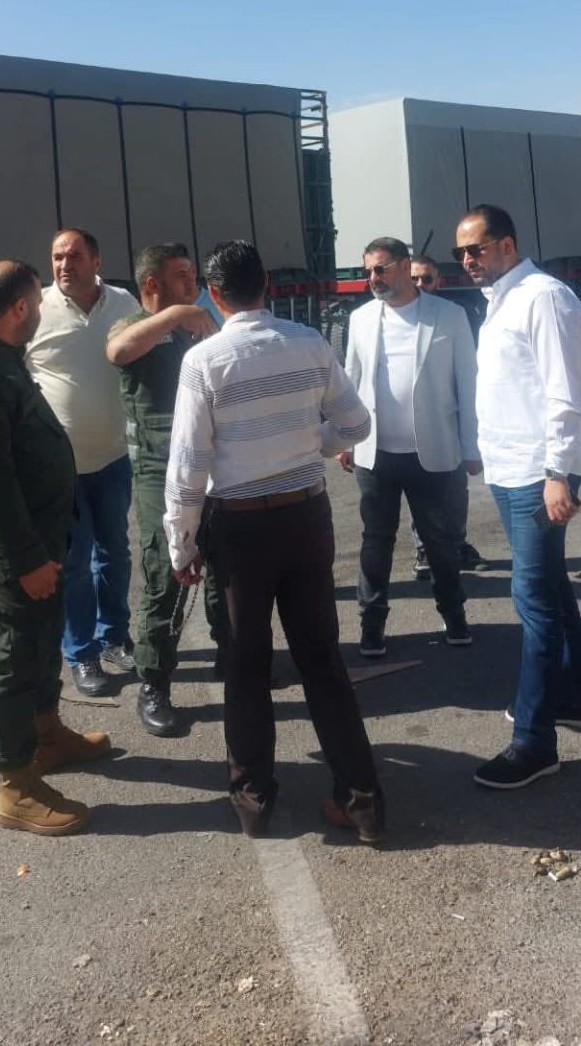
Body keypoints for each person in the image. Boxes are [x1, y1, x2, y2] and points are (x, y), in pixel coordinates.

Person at [164, 240, 384, 842]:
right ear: (267, 283)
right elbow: (357, 423)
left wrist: (182, 544)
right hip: (306, 517)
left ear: (214, 294)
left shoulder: (204, 361)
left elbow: (188, 463)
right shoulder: (309, 344)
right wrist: (311, 442)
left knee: (246, 664)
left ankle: (254, 800)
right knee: (322, 660)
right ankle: (362, 800)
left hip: (241, 529)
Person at [0, 261, 111, 837]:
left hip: (40, 542)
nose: (42, 310)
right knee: (12, 662)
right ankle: (16, 786)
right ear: (19, 308)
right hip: (14, 554)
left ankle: (46, 736)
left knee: (39, 645)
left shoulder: (2, 358)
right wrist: (28, 561)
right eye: (38, 301)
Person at [454, 203, 581, 791]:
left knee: (532, 599)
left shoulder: (543, 298)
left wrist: (558, 472)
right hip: (510, 470)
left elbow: (566, 394)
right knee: (553, 589)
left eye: (477, 249)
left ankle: (534, 743)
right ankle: (576, 698)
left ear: (507, 245)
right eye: (462, 252)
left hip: (540, 475)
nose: (467, 260)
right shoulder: (501, 302)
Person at [339, 237, 480, 657]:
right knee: (375, 542)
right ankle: (372, 625)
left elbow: (468, 384)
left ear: (405, 267)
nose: (372, 278)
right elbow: (350, 381)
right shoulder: (362, 319)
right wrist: (346, 437)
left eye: (380, 269)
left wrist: (472, 446)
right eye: (367, 271)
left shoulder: (448, 316)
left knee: (441, 542)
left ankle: (454, 616)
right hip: (376, 454)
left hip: (433, 453)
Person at [105, 243, 223, 737]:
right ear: (152, 283)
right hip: (160, 471)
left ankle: (233, 656)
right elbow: (118, 351)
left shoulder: (201, 324)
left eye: (193, 273)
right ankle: (154, 684)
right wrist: (176, 316)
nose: (192, 281)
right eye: (181, 275)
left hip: (213, 463)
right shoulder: (134, 324)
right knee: (166, 574)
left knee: (225, 568)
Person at [24, 228, 139, 699]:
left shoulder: (123, 303)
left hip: (113, 456)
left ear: (96, 260)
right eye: (57, 257)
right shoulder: (37, 308)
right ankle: (81, 652)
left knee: (115, 552)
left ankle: (115, 637)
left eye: (73, 256)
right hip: (60, 467)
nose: (63, 265)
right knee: (72, 564)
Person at [408, 257, 489, 577]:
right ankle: (424, 549)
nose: (420, 285)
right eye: (414, 279)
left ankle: (457, 543)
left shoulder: (453, 315)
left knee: (455, 489)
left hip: (450, 419)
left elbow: (468, 370)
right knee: (422, 491)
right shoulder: (399, 319)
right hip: (414, 425)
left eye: (426, 279)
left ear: (438, 281)